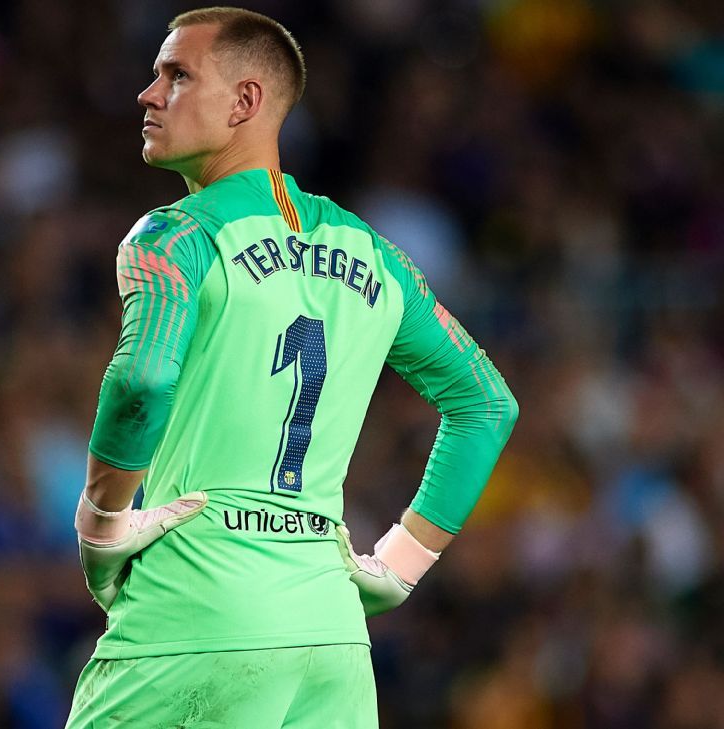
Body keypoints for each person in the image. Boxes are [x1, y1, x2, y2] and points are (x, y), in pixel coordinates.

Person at [66, 7, 519, 728]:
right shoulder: (376, 254)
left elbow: (142, 379)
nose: (148, 94)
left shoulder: (176, 236)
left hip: (196, 612)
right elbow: (487, 405)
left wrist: (101, 521)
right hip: (330, 635)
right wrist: (403, 562)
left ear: (244, 101)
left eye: (177, 75)